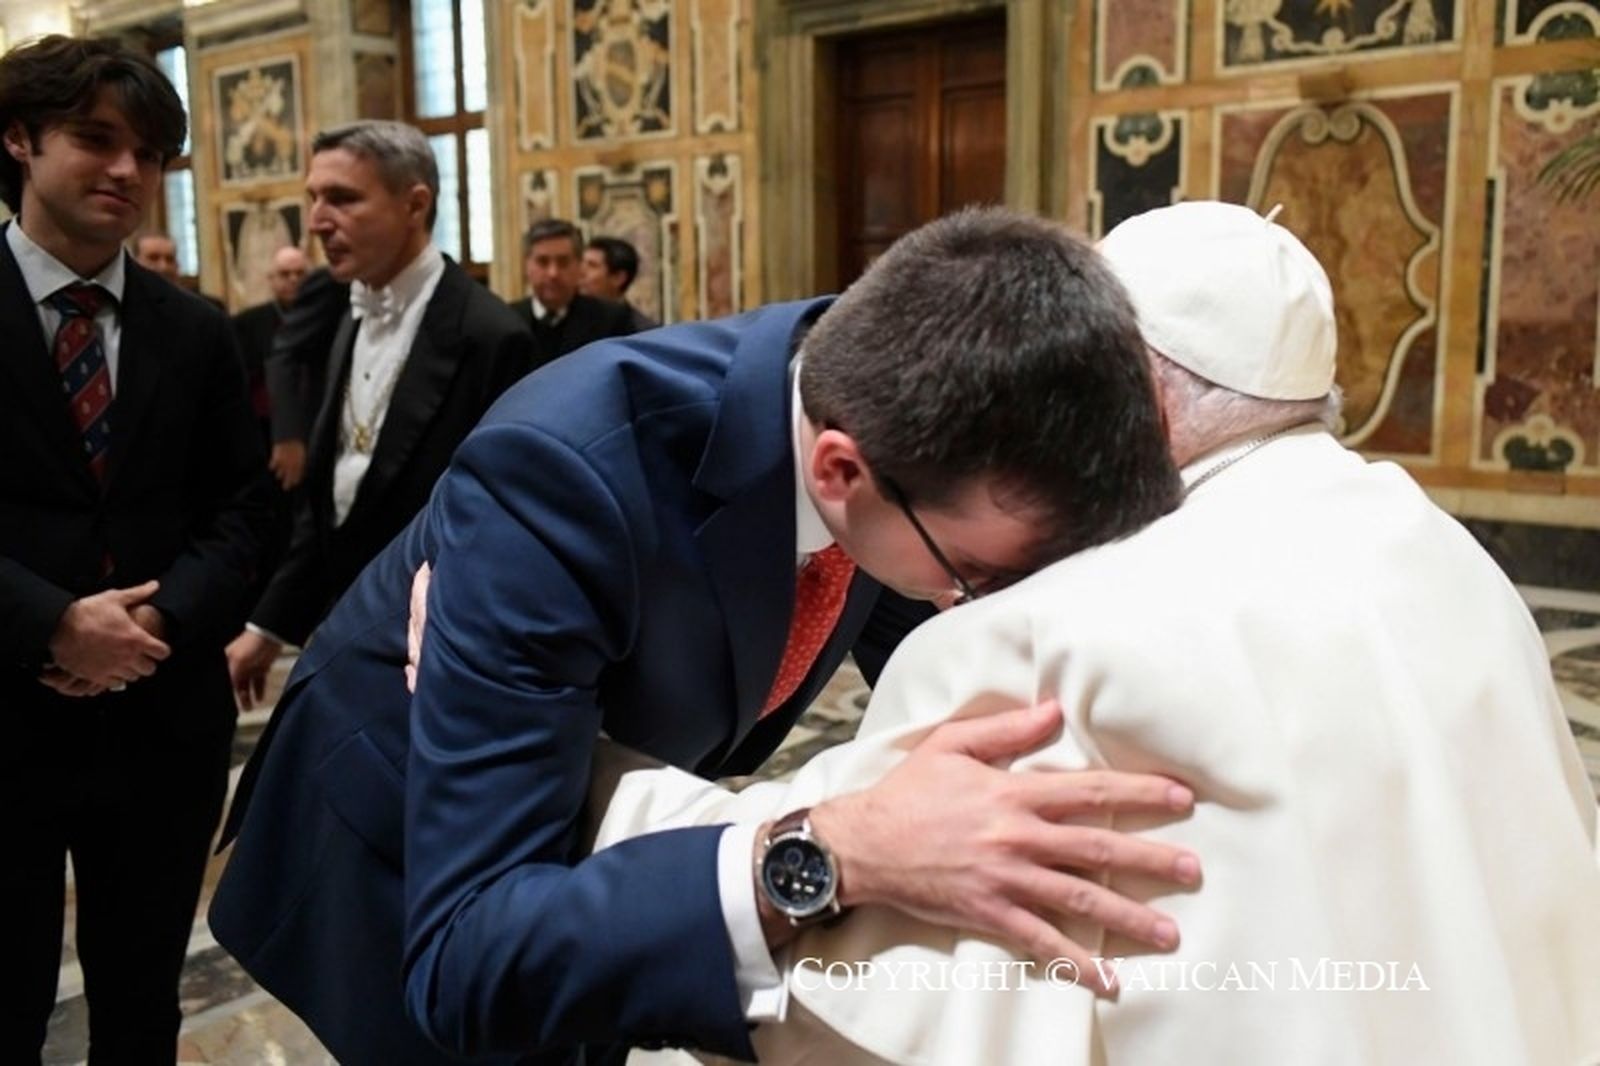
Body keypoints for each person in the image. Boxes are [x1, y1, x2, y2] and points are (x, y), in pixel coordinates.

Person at [585, 202, 1600, 1065]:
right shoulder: (1442, 551)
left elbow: (837, 994)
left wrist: (601, 785)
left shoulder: (1054, 630)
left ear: (1126, 399)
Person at [209, 207, 1203, 1065]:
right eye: (976, 577)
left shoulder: (886, 386)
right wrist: (828, 850)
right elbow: (470, 960)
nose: (974, 608)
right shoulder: (558, 479)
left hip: (590, 800)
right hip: (401, 847)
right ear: (840, 473)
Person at [0, 34, 272, 1061]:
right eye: (96, 139)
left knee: (140, 1007)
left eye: (150, 153)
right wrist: (52, 623)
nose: (127, 170)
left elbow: (247, 513)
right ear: (19, 138)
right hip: (4, 713)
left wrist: (154, 620)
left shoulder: (195, 329)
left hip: (160, 725)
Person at [222, 120, 533, 710]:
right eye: (314, 197)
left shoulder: (491, 336)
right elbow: (332, 504)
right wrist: (268, 627)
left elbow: (496, 527)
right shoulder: (349, 311)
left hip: (437, 652)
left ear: (415, 204)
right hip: (348, 635)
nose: (317, 220)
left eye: (342, 198)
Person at [231, 244, 310, 573]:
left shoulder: (326, 317)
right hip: (264, 438)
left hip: (314, 432)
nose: (292, 280)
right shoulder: (248, 323)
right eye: (285, 274)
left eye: (299, 273)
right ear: (271, 279)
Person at [513, 217, 638, 367]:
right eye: (543, 262)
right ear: (526, 265)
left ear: (579, 265)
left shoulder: (611, 320)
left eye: (563, 262)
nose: (553, 273)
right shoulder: (508, 322)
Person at [582, 234, 657, 330]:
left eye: (592, 266)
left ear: (618, 278)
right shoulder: (571, 320)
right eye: (580, 263)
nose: (580, 272)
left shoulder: (641, 331)